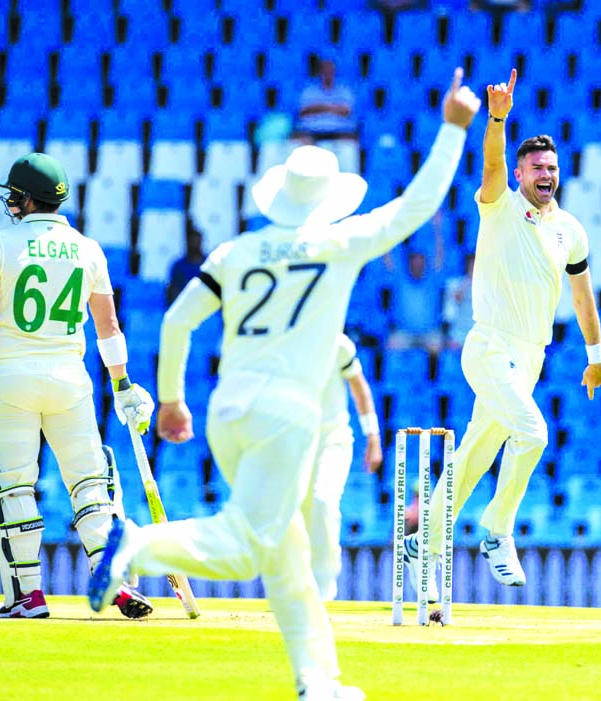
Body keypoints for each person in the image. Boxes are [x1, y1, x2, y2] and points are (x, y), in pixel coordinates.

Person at [87, 68, 480, 701]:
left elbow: (176, 320)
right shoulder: (339, 242)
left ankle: (317, 682)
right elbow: (417, 208)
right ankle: (135, 544)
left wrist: (170, 399)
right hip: (287, 416)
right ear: (329, 202)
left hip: (227, 411)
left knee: (287, 557)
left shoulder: (237, 251)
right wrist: (455, 129)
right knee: (247, 548)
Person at [403, 69, 601, 598]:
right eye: (537, 167)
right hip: (489, 346)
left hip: (531, 356)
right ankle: (497, 531)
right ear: (520, 174)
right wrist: (497, 118)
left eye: (553, 167)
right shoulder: (499, 203)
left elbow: (582, 295)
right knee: (533, 434)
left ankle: (425, 533)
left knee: (475, 450)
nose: (546, 174)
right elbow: (491, 159)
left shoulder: (570, 230)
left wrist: (595, 353)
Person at [0, 153, 155, 619]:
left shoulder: (2, 242)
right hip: (69, 379)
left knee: (13, 486)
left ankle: (27, 595)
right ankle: (115, 579)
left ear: (24, 197)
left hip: (13, 379)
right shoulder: (88, 247)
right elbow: (109, 325)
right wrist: (121, 384)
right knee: (92, 483)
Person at [301, 333, 382, 601]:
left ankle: (324, 590)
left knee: (323, 500)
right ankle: (297, 587)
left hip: (333, 440)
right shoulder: (282, 339)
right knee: (298, 515)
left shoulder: (338, 344)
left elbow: (359, 388)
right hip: (295, 444)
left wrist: (373, 436)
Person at [386, 250, 445, 354]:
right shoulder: (400, 280)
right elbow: (388, 262)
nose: (418, 266)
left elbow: (439, 258)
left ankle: (431, 370)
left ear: (425, 265)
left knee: (438, 347)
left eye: (420, 264)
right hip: (404, 332)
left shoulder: (432, 280)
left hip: (429, 333)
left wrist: (438, 233)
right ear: (409, 265)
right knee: (391, 345)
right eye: (415, 264)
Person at [294, 58, 358, 144]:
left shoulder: (344, 91)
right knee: (299, 138)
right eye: (325, 71)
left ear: (334, 73)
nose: (328, 74)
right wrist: (333, 108)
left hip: (339, 130)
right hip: (312, 130)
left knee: (350, 140)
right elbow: (303, 111)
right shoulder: (309, 91)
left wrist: (320, 107)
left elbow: (346, 111)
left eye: (330, 71)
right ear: (320, 72)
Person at [442, 252, 475, 348]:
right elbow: (456, 299)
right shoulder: (457, 283)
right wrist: (468, 280)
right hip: (459, 330)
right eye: (471, 264)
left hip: (477, 330)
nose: (473, 267)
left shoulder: (486, 285)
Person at [166, 227, 207, 306]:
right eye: (192, 242)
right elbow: (172, 289)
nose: (194, 245)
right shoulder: (178, 265)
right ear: (187, 243)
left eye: (197, 242)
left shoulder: (210, 263)